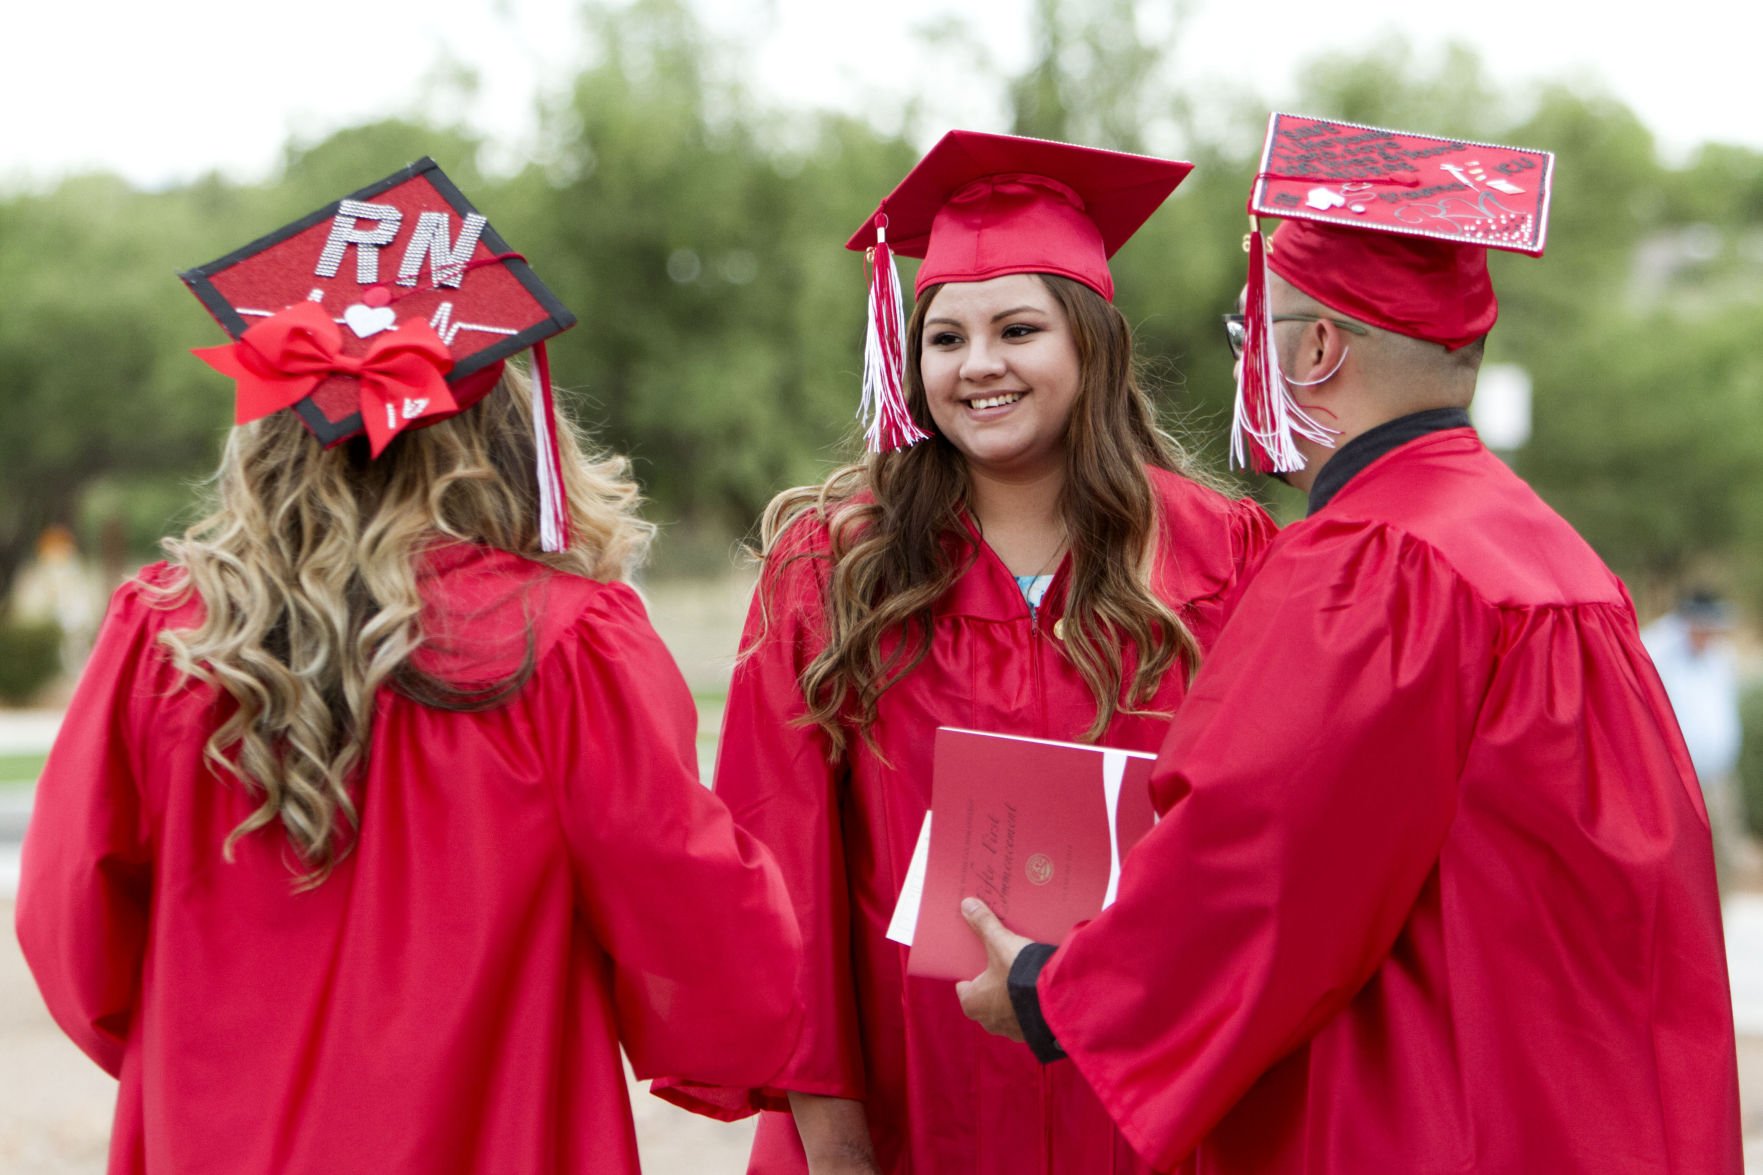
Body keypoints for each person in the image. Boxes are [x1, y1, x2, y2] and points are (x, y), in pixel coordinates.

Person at [957, 115, 1743, 1172]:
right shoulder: (1555, 561)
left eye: (1251, 337)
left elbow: (1261, 861)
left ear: (1316, 348)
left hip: (1423, 1111)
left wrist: (1051, 990)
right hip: (1569, 1105)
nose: (1246, 366)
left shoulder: (1375, 561)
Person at [15, 162, 803, 1175]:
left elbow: (68, 919)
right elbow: (701, 926)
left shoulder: (168, 634)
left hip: (216, 1136)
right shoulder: (566, 643)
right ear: (509, 435)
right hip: (494, 1135)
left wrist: (201, 1049)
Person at [656, 131, 1276, 1174]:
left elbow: (1262, 849)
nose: (978, 363)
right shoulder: (835, 566)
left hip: (1148, 1108)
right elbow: (786, 874)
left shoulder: (1223, 556)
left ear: (1091, 344)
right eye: (945, 338)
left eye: (1017, 328)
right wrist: (838, 1150)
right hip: (907, 1103)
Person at [1644, 588, 1751, 878]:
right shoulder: (1660, 650)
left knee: (1723, 853)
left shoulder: (1721, 656)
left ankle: (1721, 919)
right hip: (1674, 777)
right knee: (1683, 856)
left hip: (1719, 774)